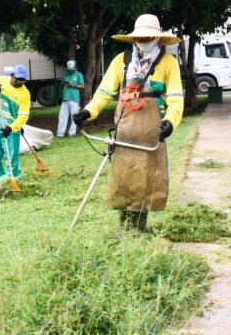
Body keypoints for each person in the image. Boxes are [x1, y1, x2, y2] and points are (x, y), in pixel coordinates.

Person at [73, 14, 183, 231]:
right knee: (125, 177)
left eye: (148, 36)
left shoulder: (168, 63)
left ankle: (139, 227)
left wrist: (170, 122)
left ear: (157, 38)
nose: (144, 40)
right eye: (140, 36)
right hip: (126, 130)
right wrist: (88, 112)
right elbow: (104, 93)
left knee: (145, 178)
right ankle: (123, 227)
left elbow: (176, 99)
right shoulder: (121, 62)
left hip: (152, 131)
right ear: (134, 38)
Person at [56, 59, 84, 137]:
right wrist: (64, 82)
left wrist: (73, 85)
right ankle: (60, 133)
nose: (70, 71)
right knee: (62, 116)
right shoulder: (66, 75)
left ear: (75, 67)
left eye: (72, 69)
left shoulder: (79, 74)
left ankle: (72, 133)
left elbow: (82, 86)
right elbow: (61, 86)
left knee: (74, 117)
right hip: (65, 99)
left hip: (74, 99)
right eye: (69, 69)